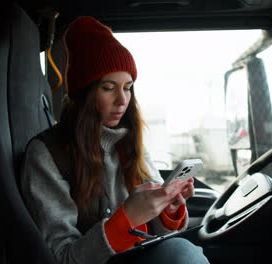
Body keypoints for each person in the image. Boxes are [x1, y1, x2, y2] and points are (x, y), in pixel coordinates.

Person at [20, 16, 209, 264]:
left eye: (128, 87)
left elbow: (164, 236)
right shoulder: (47, 154)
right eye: (109, 88)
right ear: (85, 93)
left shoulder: (131, 141)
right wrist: (126, 219)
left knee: (184, 250)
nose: (122, 100)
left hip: (142, 255)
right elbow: (62, 258)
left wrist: (167, 212)